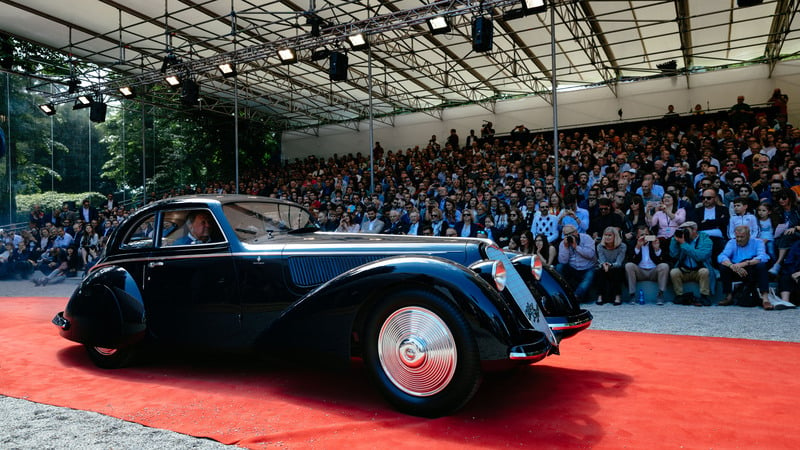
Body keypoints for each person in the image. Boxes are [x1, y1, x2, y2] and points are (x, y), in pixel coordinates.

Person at [717, 225, 771, 308]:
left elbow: (763, 257)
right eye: (737, 237)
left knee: (761, 266)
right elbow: (721, 256)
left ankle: (765, 299)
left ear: (748, 235)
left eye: (742, 237)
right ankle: (728, 296)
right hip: (736, 269)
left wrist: (744, 264)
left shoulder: (758, 242)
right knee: (724, 268)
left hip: (750, 268)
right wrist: (732, 266)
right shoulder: (732, 242)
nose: (739, 239)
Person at [669, 221, 716, 306]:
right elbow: (673, 254)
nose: (684, 233)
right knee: (674, 272)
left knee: (704, 271)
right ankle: (679, 296)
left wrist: (684, 244)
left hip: (699, 271)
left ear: (694, 230)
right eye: (682, 230)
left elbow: (700, 256)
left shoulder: (706, 240)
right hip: (684, 270)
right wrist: (674, 240)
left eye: (686, 230)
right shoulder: (682, 240)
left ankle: (704, 296)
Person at [625, 225, 671, 305]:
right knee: (629, 265)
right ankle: (632, 295)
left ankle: (660, 294)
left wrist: (656, 249)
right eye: (642, 235)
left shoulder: (655, 242)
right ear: (637, 236)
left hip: (654, 271)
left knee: (664, 266)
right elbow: (631, 260)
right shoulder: (633, 244)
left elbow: (663, 260)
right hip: (640, 271)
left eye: (646, 234)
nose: (644, 237)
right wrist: (638, 247)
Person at [556, 224, 597, 303]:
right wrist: (565, 247)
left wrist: (576, 247)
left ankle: (576, 296)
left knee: (589, 276)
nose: (568, 236)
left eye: (570, 233)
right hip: (573, 268)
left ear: (576, 232)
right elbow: (563, 261)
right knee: (559, 267)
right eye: (566, 235)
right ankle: (563, 294)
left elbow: (591, 255)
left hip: (587, 267)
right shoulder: (563, 243)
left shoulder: (586, 238)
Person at [595, 227, 627, 305]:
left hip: (617, 267)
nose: (607, 237)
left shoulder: (622, 246)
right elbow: (601, 260)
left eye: (609, 235)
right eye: (605, 235)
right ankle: (600, 296)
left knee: (616, 271)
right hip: (604, 267)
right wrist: (604, 265)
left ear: (615, 236)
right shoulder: (599, 246)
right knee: (600, 271)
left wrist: (610, 265)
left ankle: (617, 296)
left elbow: (619, 262)